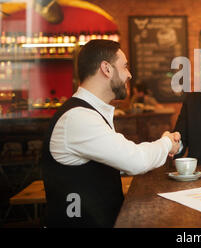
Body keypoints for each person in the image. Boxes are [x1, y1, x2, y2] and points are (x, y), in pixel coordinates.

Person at [41, 39, 180, 228]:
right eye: (124, 67)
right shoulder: (78, 117)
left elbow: (108, 161)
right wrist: (166, 142)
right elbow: (134, 160)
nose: (129, 75)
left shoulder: (88, 112)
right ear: (106, 69)